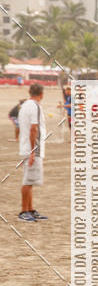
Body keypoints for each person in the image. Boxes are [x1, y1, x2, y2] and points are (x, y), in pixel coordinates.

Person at [17, 83, 48, 222]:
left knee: (30, 180)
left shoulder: (25, 105)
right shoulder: (35, 106)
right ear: (41, 94)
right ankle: (23, 211)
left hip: (27, 147)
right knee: (28, 181)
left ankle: (30, 209)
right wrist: (32, 151)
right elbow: (33, 129)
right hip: (33, 148)